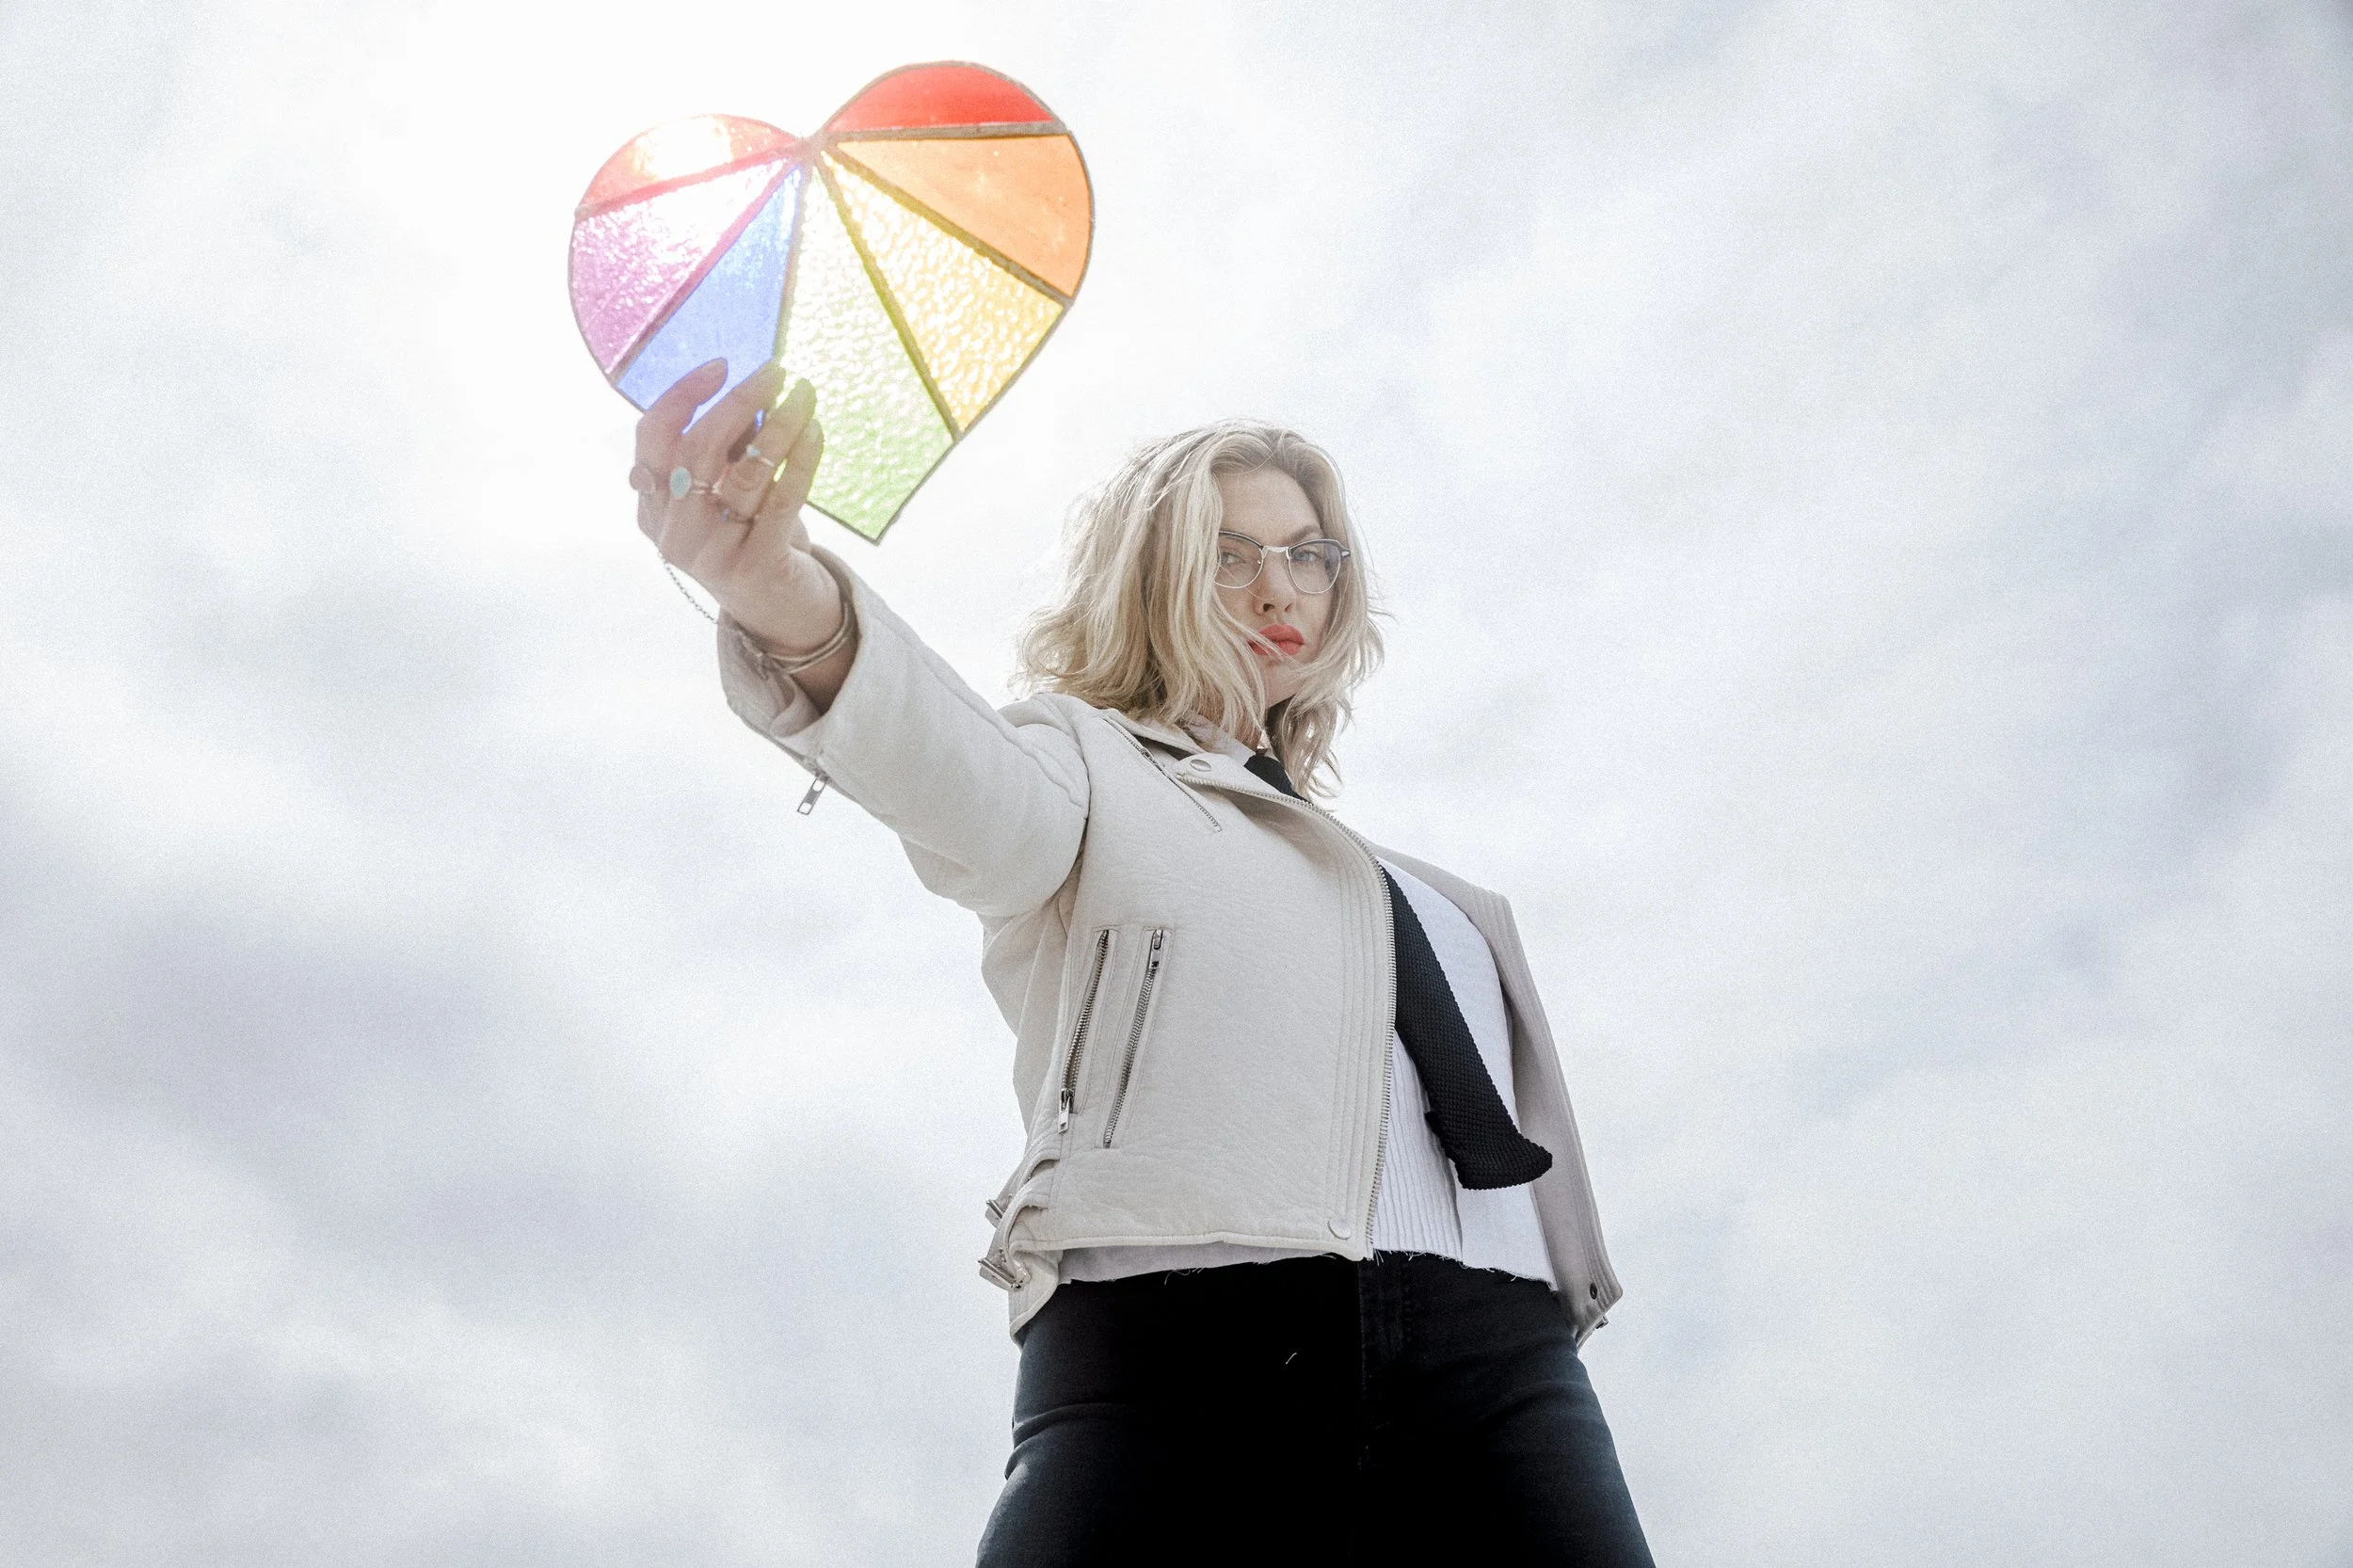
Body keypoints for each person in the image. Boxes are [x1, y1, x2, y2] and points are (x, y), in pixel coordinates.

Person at [629, 357, 1654, 1567]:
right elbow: (949, 774)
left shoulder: (1441, 900)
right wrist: (779, 592)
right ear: (1153, 574)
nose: (1280, 585)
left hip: (1500, 1367)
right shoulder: (1082, 765)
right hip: (1179, 1343)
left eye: (1307, 552)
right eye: (1229, 553)